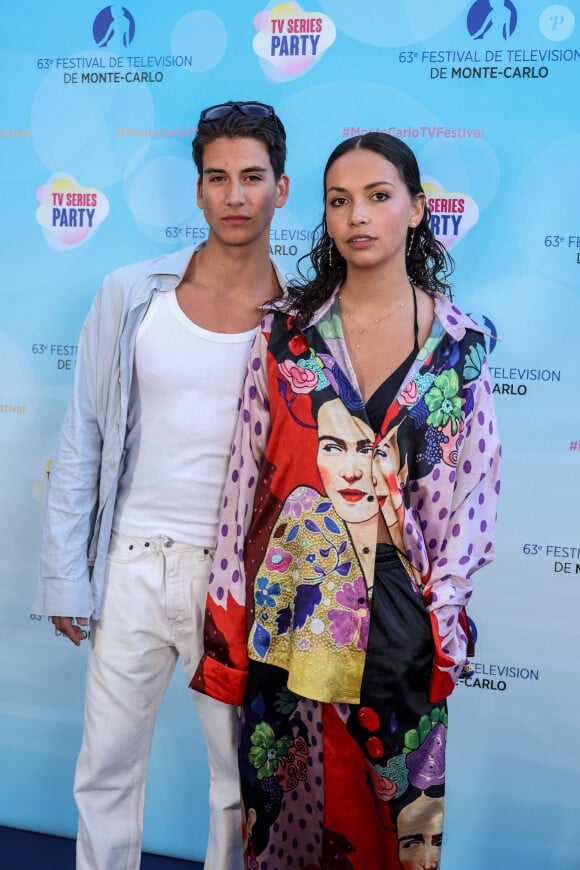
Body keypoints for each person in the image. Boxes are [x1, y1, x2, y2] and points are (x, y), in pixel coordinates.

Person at [192, 132, 501, 868]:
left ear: (417, 211)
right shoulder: (286, 337)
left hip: (403, 622)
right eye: (340, 201)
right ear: (326, 218)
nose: (357, 215)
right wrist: (228, 623)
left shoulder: (461, 348)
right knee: (283, 825)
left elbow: (476, 494)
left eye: (378, 196)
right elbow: (244, 487)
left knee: (399, 828)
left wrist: (443, 615)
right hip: (291, 616)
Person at [33, 100, 290, 870]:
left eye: (252, 177)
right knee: (105, 770)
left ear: (282, 187)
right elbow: (83, 435)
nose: (235, 195)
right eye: (218, 178)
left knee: (237, 783)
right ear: (198, 189)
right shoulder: (130, 293)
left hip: (238, 580)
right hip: (132, 566)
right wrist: (66, 578)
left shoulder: (305, 313)